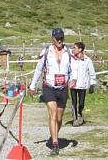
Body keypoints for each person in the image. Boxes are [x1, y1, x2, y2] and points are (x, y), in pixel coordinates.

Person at [29, 28, 76, 156]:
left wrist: (73, 79)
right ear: (53, 38)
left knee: (59, 118)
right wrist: (32, 86)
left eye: (61, 38)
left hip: (63, 88)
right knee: (53, 114)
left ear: (64, 38)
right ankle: (55, 143)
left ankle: (54, 133)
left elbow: (73, 69)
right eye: (57, 38)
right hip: (49, 86)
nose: (59, 40)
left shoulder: (69, 52)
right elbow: (39, 70)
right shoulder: (46, 52)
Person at [70, 42, 97, 127]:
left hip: (83, 85)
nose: (73, 49)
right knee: (74, 102)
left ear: (80, 49)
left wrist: (92, 84)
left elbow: (91, 72)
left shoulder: (87, 60)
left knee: (81, 103)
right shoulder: (71, 59)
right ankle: (75, 119)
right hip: (73, 85)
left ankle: (79, 114)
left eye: (75, 48)